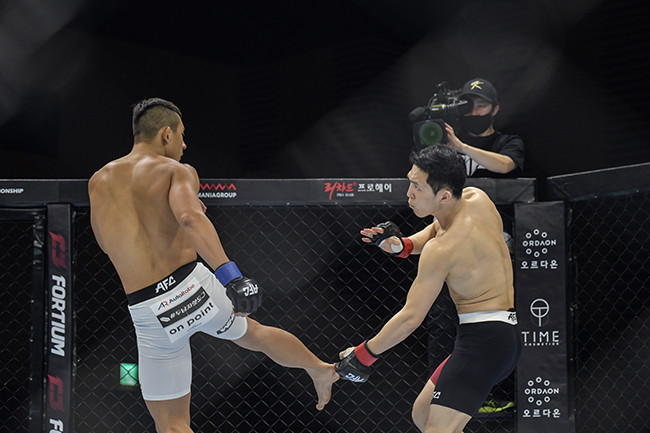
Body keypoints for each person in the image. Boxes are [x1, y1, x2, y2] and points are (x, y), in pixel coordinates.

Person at [88, 97, 338, 433]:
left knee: (172, 424)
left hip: (149, 312)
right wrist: (232, 278)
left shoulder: (98, 181)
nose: (184, 145)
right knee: (254, 334)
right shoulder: (176, 171)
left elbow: (105, 243)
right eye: (182, 135)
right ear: (166, 134)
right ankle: (319, 369)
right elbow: (190, 218)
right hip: (192, 289)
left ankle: (319, 369)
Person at [335, 145, 522, 433]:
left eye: (418, 187)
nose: (409, 193)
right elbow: (438, 227)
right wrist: (403, 246)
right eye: (410, 182)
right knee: (422, 414)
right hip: (500, 336)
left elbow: (411, 318)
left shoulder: (441, 250)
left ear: (444, 196)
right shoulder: (477, 199)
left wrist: (363, 355)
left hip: (483, 343)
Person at [445, 78, 524, 178]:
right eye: (468, 106)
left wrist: (462, 148)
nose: (474, 113)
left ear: (495, 110)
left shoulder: (507, 142)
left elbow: (505, 165)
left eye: (481, 106)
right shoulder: (450, 141)